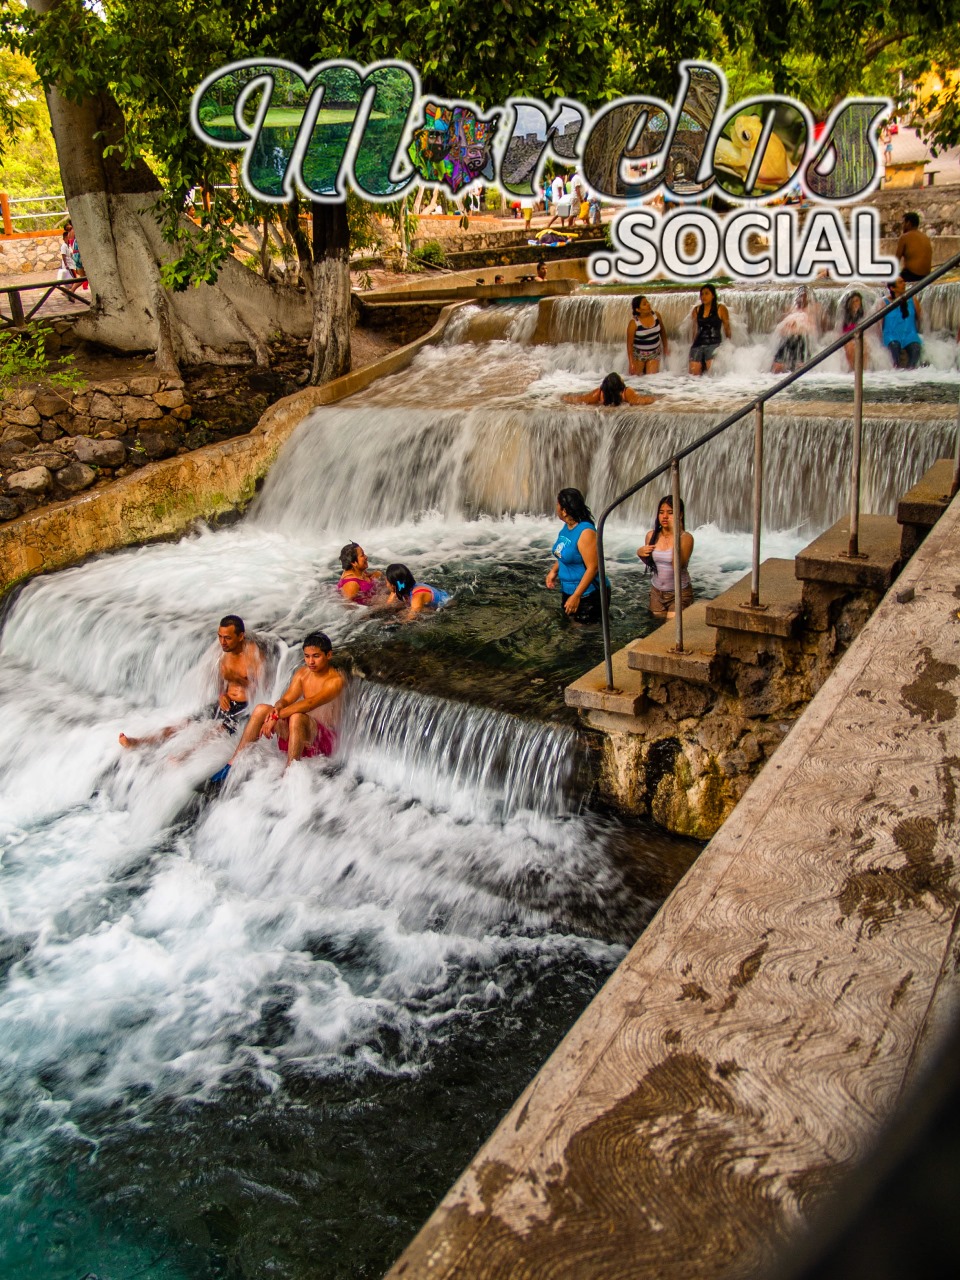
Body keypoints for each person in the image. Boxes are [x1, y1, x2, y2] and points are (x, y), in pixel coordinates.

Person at [120, 615, 264, 747]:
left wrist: (236, 677)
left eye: (227, 638)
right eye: (219, 636)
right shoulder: (223, 652)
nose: (222, 642)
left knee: (216, 731)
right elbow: (222, 683)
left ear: (240, 636)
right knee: (186, 723)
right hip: (225, 703)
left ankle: (184, 758)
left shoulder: (253, 655)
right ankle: (141, 742)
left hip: (245, 709)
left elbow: (262, 690)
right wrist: (222, 696)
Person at [223, 632, 344, 773]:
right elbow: (286, 699)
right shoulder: (302, 674)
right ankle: (233, 764)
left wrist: (276, 717)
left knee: (297, 716)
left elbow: (310, 703)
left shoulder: (335, 681)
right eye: (307, 656)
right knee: (261, 709)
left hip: (321, 743)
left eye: (316, 656)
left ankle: (290, 773)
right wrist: (276, 710)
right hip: (297, 738)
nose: (310, 661)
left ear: (328, 655)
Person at [545, 488, 605, 622]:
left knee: (584, 637)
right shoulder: (567, 527)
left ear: (565, 511)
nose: (556, 508)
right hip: (569, 590)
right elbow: (566, 553)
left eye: (558, 505)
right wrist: (554, 571)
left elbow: (593, 567)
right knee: (570, 632)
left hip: (587, 594)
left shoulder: (586, 532)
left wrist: (577, 595)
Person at [637, 495, 694, 619]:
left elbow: (677, 566)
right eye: (661, 512)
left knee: (672, 627)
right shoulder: (651, 535)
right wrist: (640, 553)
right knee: (657, 626)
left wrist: (675, 533)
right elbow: (651, 563)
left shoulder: (686, 538)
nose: (665, 517)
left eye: (670, 513)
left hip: (679, 593)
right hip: (656, 592)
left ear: (680, 515)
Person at [770, 286, 819, 373]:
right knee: (777, 367)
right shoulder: (790, 308)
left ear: (808, 297)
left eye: (804, 296)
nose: (801, 298)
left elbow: (814, 327)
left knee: (801, 366)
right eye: (800, 295)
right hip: (786, 339)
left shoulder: (813, 308)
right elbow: (780, 326)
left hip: (803, 339)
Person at [688, 284, 731, 375]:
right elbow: (694, 330)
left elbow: (727, 328)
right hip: (698, 344)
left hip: (714, 344)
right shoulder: (696, 310)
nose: (704, 296)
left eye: (707, 293)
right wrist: (693, 345)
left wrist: (728, 345)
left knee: (713, 376)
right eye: (702, 294)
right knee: (693, 376)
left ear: (713, 295)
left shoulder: (721, 309)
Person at [882, 277, 922, 369]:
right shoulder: (884, 302)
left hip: (909, 334)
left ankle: (910, 373)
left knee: (915, 348)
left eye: (904, 281)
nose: (904, 283)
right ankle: (895, 373)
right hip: (891, 335)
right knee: (894, 346)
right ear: (892, 288)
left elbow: (920, 318)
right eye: (900, 282)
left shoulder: (913, 300)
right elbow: (879, 324)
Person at [627, 295, 669, 375]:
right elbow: (629, 345)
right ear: (638, 309)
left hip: (654, 353)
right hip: (639, 355)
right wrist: (631, 362)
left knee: (651, 379)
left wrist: (665, 346)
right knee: (636, 378)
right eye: (644, 304)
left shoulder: (656, 316)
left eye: (647, 302)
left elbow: (662, 331)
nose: (648, 304)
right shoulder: (633, 323)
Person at [384, 563, 450, 614]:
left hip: (447, 604)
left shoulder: (417, 596)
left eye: (386, 582)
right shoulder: (401, 586)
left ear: (392, 585)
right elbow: (388, 606)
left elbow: (411, 618)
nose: (386, 585)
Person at [562, 372, 656, 407]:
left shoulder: (599, 393)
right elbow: (639, 401)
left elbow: (580, 399)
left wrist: (563, 397)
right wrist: (659, 399)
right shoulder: (626, 392)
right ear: (620, 384)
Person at [895, 212, 932, 282]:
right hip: (927, 277)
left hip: (911, 276)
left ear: (908, 223)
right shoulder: (925, 237)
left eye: (903, 223)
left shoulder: (904, 237)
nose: (902, 226)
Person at [839, 291, 865, 370]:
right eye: (853, 301)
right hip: (847, 338)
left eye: (857, 301)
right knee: (850, 346)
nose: (855, 303)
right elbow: (840, 331)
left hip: (859, 337)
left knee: (865, 346)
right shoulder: (844, 316)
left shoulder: (862, 315)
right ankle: (852, 370)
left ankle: (864, 370)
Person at [57, 224, 83, 299]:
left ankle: (70, 291)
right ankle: (70, 291)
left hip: (75, 257)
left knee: (81, 277)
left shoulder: (70, 235)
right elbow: (63, 255)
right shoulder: (74, 232)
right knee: (82, 277)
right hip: (76, 257)